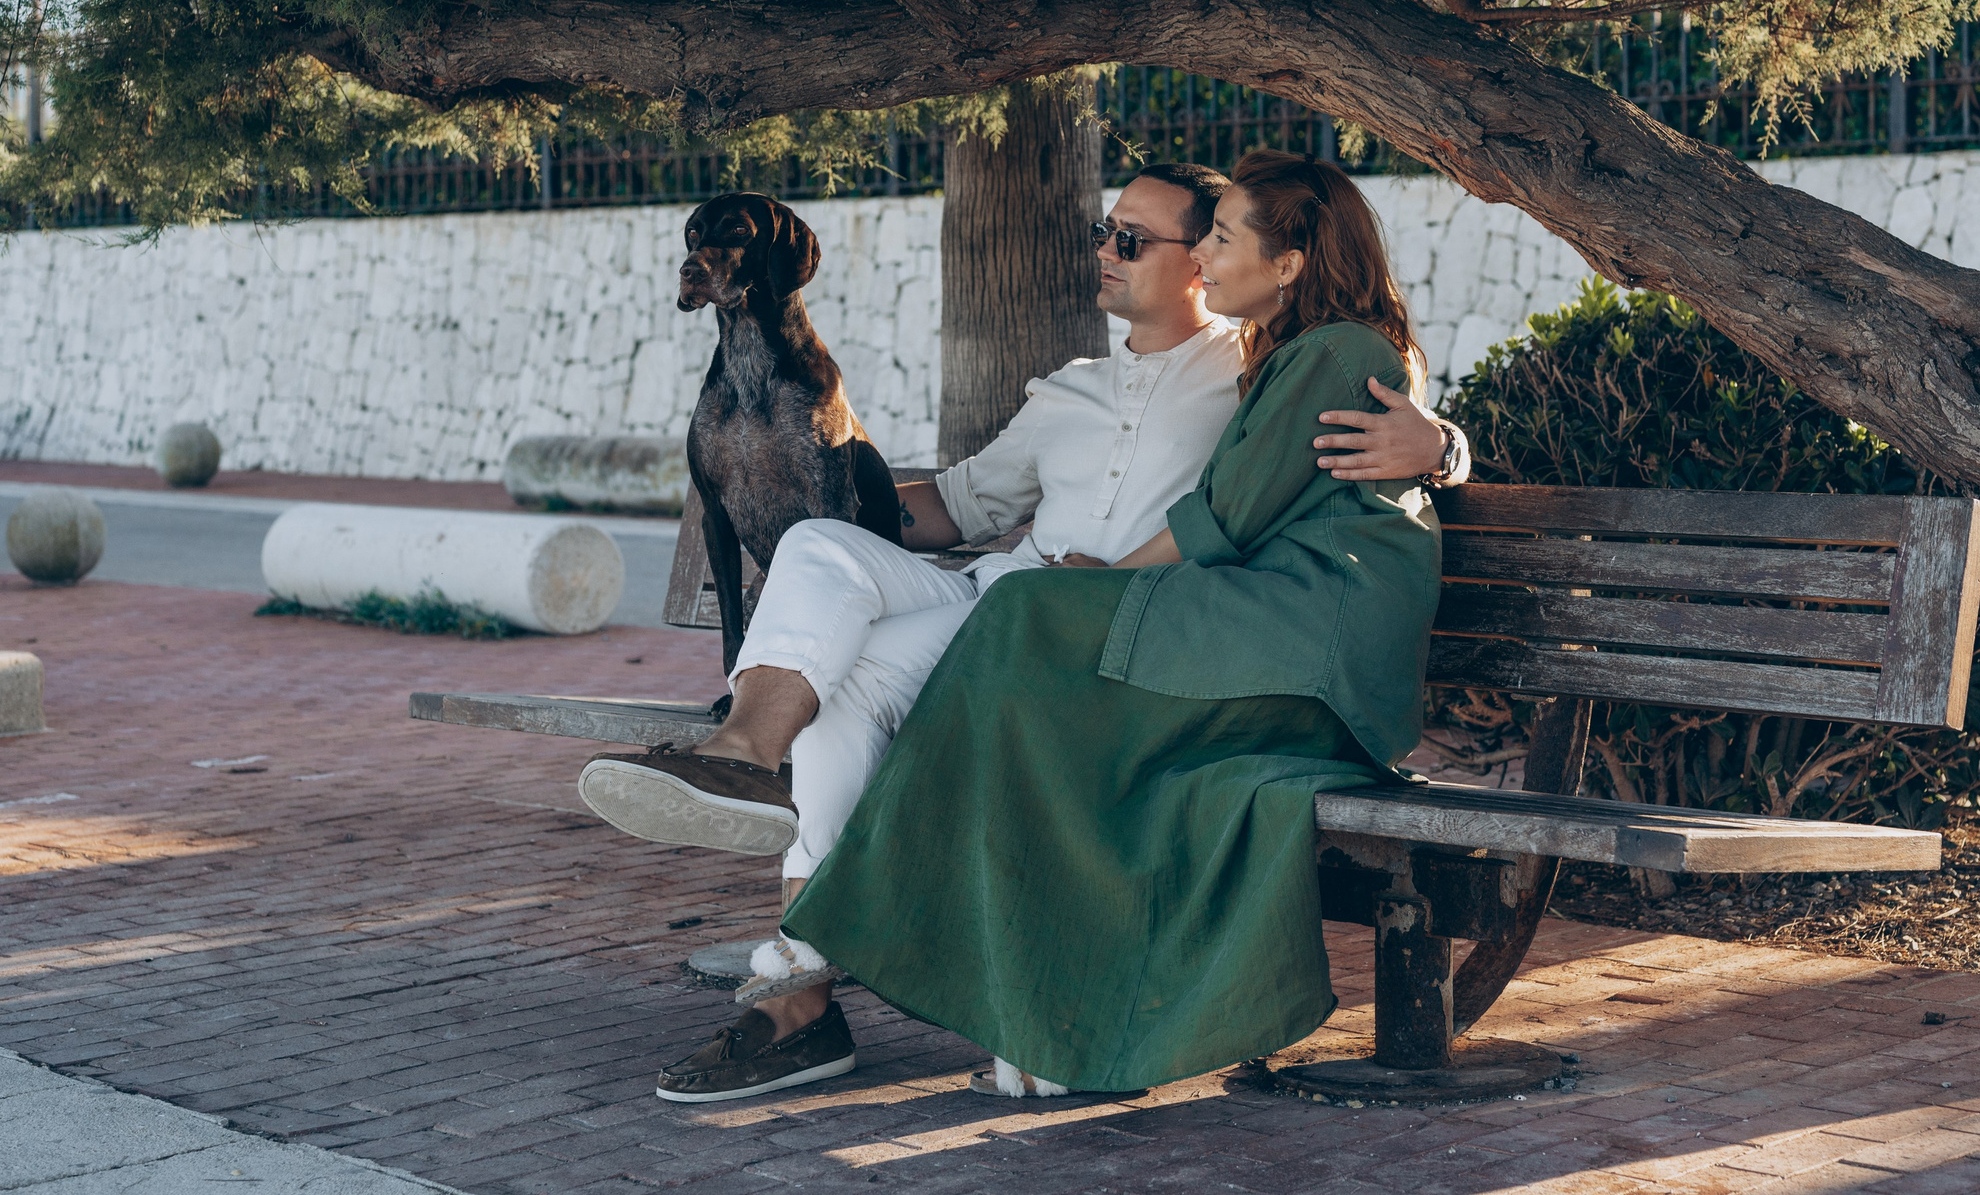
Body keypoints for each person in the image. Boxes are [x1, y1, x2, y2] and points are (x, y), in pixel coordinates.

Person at [590, 160, 1467, 1103]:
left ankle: (806, 975)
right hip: (1003, 603)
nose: (1107, 252)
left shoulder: (1245, 368)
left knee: (877, 669)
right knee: (820, 558)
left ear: (1205, 263)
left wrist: (1447, 447)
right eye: (1104, 230)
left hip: (1093, 636)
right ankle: (748, 774)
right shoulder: (1074, 388)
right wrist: (814, 443)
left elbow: (1348, 435)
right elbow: (952, 508)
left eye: (1137, 240)